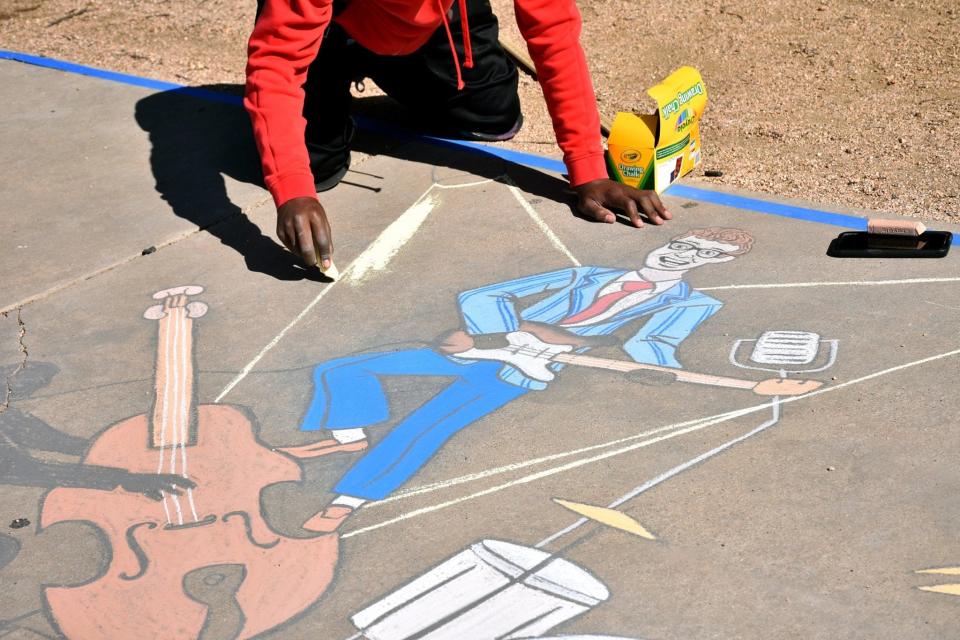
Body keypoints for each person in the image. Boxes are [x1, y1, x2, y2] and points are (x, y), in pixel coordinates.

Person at [278, 227, 754, 531]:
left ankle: (349, 499)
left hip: (522, 367)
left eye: (704, 252)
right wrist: (491, 335)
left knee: (428, 425)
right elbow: (489, 293)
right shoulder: (587, 274)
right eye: (683, 243)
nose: (683, 254)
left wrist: (661, 373)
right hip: (493, 345)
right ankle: (348, 436)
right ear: (669, 242)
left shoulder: (691, 303)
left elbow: (651, 346)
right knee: (342, 368)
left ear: (716, 263)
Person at [245, 0, 673, 271]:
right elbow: (276, 63)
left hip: (432, 24)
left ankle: (403, 57)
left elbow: (554, 32)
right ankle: (334, 86)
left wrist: (587, 170)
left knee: (495, 115)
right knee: (317, 167)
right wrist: (292, 187)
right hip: (334, 32)